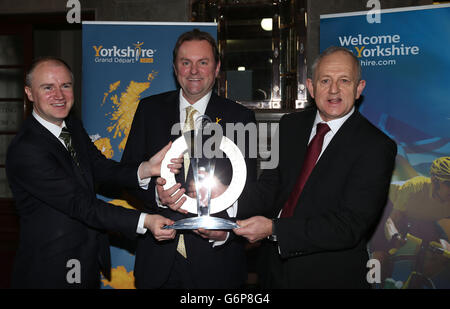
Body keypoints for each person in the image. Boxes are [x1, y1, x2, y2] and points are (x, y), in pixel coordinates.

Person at [6, 57, 178, 289]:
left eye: (65, 86)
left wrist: (146, 168)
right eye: (48, 87)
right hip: (51, 270)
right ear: (29, 93)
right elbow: (81, 204)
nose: (59, 95)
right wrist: (145, 220)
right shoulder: (27, 149)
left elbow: (99, 167)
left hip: (85, 259)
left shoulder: (71, 126)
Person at [233, 46, 397, 288]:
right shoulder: (290, 126)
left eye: (344, 80)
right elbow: (270, 186)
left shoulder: (376, 146)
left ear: (359, 88)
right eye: (325, 80)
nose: (333, 90)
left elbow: (349, 225)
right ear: (311, 87)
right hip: (272, 271)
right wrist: (224, 203)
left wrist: (274, 229)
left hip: (329, 276)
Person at [121, 29, 257, 289]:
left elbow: (248, 190)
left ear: (216, 68)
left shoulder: (240, 118)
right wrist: (159, 195)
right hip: (157, 261)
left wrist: (225, 231)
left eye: (202, 62)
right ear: (175, 68)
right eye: (186, 62)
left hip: (216, 264)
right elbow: (129, 174)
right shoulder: (149, 110)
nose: (194, 71)